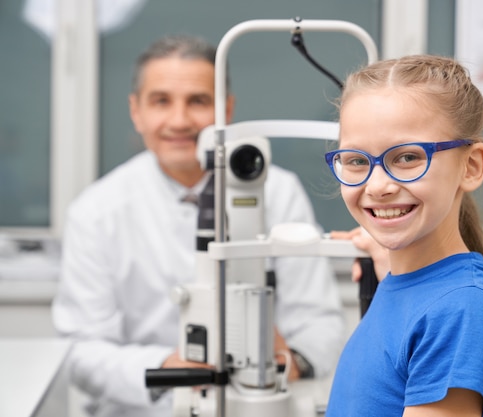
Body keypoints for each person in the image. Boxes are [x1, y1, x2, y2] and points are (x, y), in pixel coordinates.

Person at [52, 35, 345, 417]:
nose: (179, 120)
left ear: (227, 109)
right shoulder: (95, 212)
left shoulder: (277, 191)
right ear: (135, 110)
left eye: (198, 101)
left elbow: (319, 321)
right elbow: (82, 352)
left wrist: (286, 362)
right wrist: (168, 366)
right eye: (161, 101)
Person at [324, 55, 483, 416]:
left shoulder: (460, 311)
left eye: (407, 158)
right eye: (356, 161)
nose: (378, 185)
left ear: (472, 165)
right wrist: (383, 255)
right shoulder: (413, 286)